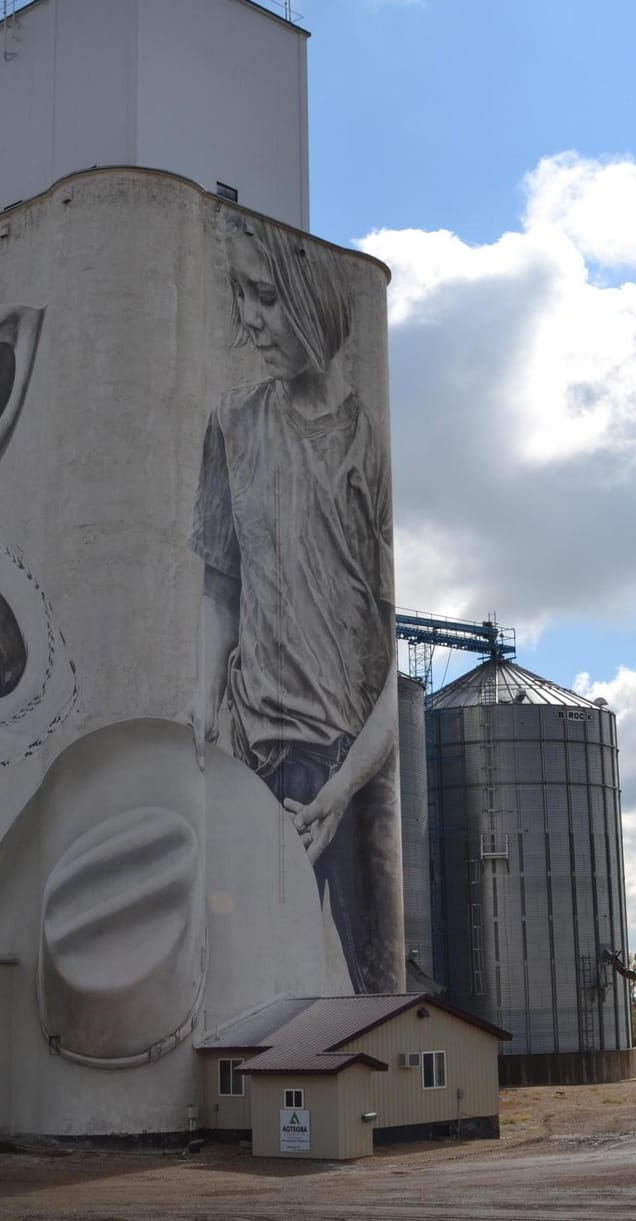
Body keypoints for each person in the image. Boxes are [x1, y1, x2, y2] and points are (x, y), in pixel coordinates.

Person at [189, 212, 399, 994]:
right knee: (253, 988)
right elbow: (220, 585)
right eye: (241, 295)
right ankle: (260, 1113)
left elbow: (385, 642)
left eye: (267, 296)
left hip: (357, 769)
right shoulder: (233, 429)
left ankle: (378, 1110)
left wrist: (343, 790)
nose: (250, 320)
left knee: (377, 988)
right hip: (257, 763)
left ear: (314, 298)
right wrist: (201, 717)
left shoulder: (363, 444)